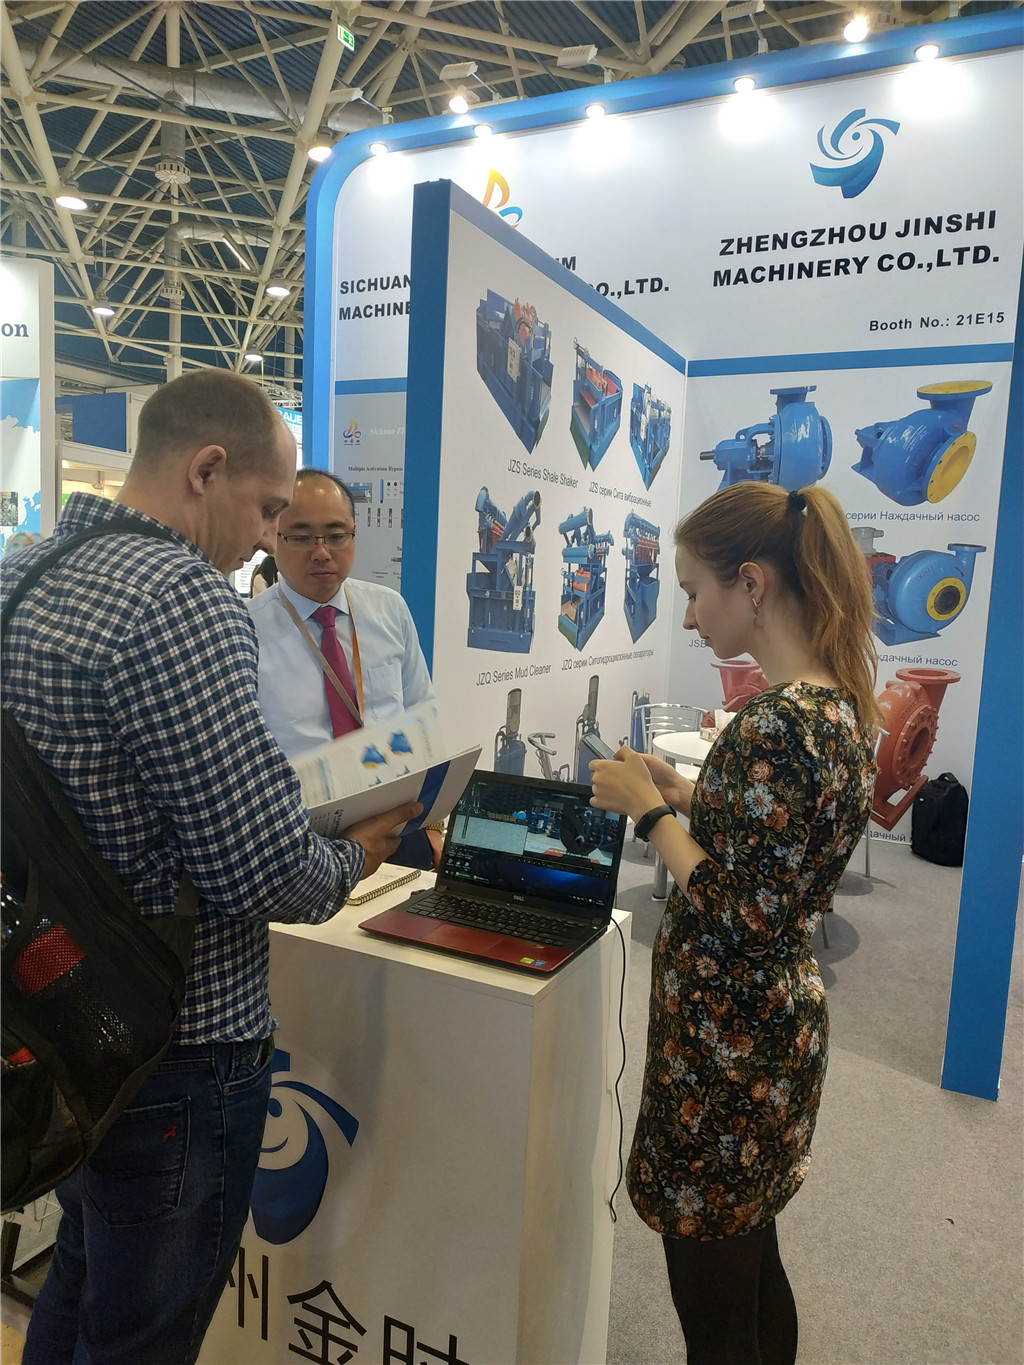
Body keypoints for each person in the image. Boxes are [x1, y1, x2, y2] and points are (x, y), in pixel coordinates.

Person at [2, 369, 419, 1365]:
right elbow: (259, 871)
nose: (268, 540)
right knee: (143, 1333)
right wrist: (353, 856)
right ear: (206, 469)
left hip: (63, 1015)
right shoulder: (181, 598)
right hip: (181, 1039)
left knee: (81, 1277)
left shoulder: (23, 570)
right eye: (269, 510)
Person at [589, 483, 878, 1365]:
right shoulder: (834, 706)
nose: (687, 616)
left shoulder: (772, 724)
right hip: (774, 1036)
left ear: (750, 583)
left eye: (692, 590)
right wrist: (687, 794)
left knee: (714, 1307)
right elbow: (775, 851)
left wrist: (649, 814)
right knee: (753, 1262)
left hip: (726, 1050)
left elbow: (744, 912)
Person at [247, 468, 444, 868]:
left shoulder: (389, 609)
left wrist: (432, 823)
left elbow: (422, 713)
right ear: (273, 537)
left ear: (354, 535)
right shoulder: (244, 629)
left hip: (396, 823)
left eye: (336, 536)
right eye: (301, 537)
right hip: (303, 841)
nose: (322, 552)